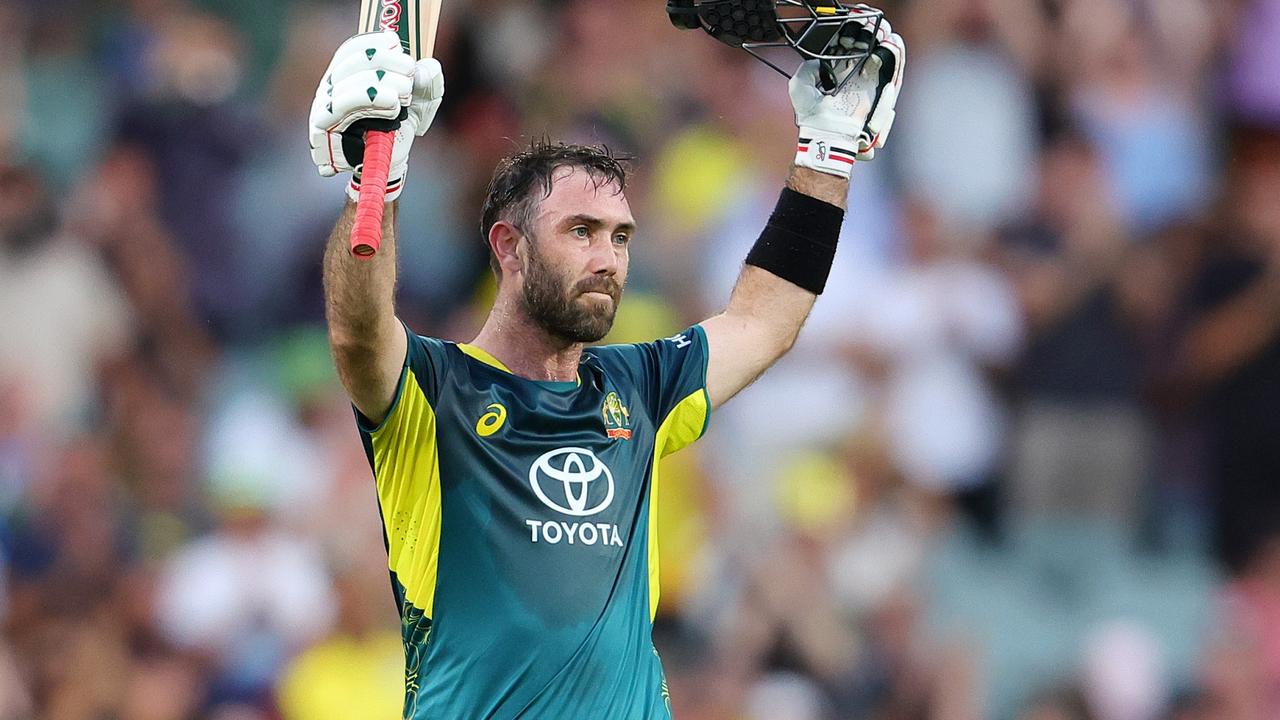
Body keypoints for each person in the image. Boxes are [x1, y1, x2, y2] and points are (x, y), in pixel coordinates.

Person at [307, 9, 905, 718]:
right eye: (580, 232)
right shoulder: (438, 390)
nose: (607, 259)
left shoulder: (641, 387)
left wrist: (827, 149)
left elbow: (764, 320)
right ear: (509, 248)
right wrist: (378, 179)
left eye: (620, 238)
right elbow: (358, 333)